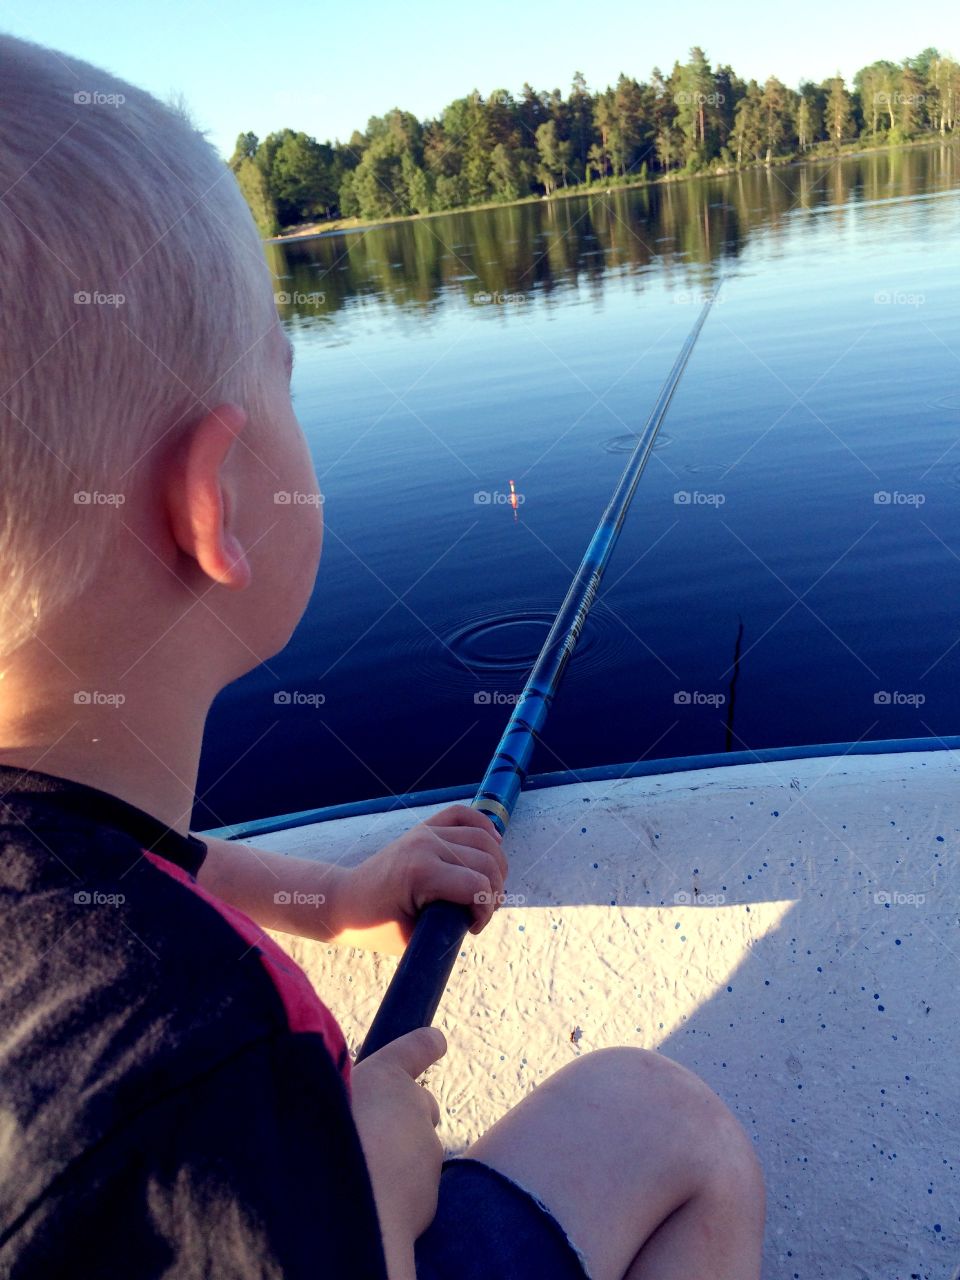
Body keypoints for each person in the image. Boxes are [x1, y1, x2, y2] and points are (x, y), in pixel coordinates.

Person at [0, 33, 765, 1280]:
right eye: (287, 381)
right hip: (336, 1223)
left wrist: (344, 898)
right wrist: (367, 1189)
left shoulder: (54, 854)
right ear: (220, 507)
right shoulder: (198, 1065)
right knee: (683, 1133)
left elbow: (157, 866)